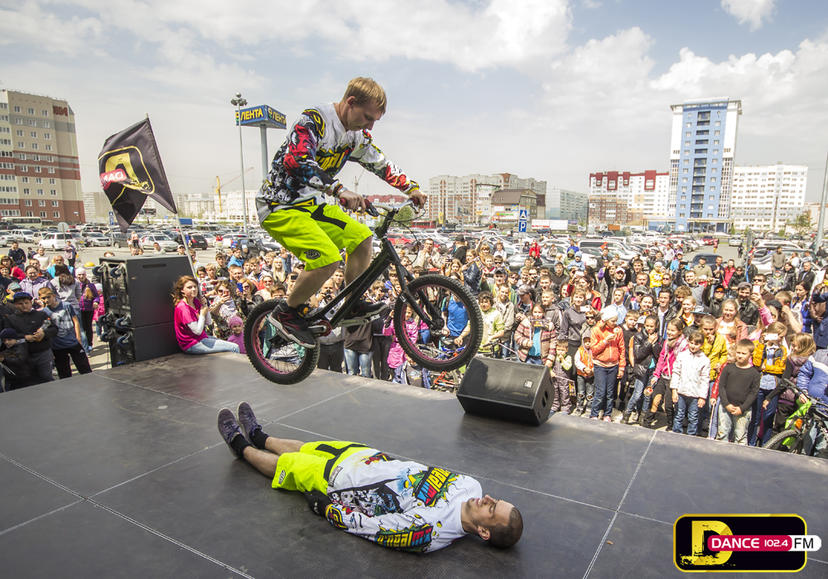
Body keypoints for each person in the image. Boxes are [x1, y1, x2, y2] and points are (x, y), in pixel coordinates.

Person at [257, 77, 426, 348]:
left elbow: (381, 163)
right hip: (279, 205)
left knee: (362, 237)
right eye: (367, 117)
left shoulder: (356, 136)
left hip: (312, 205)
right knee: (328, 259)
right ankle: (286, 313)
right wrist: (339, 190)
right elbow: (297, 161)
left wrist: (411, 188)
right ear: (350, 102)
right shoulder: (315, 121)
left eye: (375, 121)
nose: (370, 126)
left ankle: (352, 304)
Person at [217, 403, 523, 552]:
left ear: (484, 532)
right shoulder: (471, 486)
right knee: (307, 447)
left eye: (492, 509)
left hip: (343, 484)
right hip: (369, 458)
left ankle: (240, 445)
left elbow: (376, 529)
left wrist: (329, 510)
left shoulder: (431, 532)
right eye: (496, 500)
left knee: (289, 464)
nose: (487, 499)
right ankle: (259, 435)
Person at [172, 275, 240, 355]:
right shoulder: (183, 308)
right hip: (192, 344)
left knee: (229, 344)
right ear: (182, 290)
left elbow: (209, 322)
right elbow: (197, 331)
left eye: (195, 287)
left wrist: (204, 305)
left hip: (202, 338)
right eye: (189, 287)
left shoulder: (195, 301)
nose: (193, 289)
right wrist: (202, 314)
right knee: (234, 347)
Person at [3, 291, 57, 385]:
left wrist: (44, 333)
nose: (24, 306)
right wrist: (24, 337)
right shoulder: (10, 319)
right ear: (15, 305)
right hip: (23, 355)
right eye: (20, 304)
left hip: (43, 352)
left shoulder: (41, 315)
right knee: (28, 381)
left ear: (31, 303)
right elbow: (7, 336)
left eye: (26, 303)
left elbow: (54, 329)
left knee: (46, 377)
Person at [38, 286, 92, 379]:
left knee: (84, 368)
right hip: (57, 345)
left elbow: (76, 321)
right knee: (64, 373)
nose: (46, 300)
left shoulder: (66, 305)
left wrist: (78, 338)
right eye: (43, 298)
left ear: (53, 295)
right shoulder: (44, 312)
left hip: (72, 341)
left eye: (48, 297)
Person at [716, 339, 761, 445]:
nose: (740, 356)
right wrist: (726, 404)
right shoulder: (728, 369)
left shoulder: (754, 373)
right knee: (722, 433)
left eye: (743, 353)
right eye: (738, 353)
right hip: (726, 406)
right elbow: (721, 387)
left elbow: (753, 393)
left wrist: (742, 408)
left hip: (743, 409)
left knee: (740, 436)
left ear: (750, 355)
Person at [670, 330, 710, 436]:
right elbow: (676, 372)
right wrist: (674, 390)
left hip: (695, 394)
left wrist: (702, 397)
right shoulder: (682, 355)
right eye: (691, 343)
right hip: (681, 392)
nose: (693, 346)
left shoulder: (705, 360)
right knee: (679, 414)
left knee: (693, 417)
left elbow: (705, 379)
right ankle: (676, 434)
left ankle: (691, 435)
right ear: (688, 342)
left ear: (701, 345)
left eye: (696, 344)